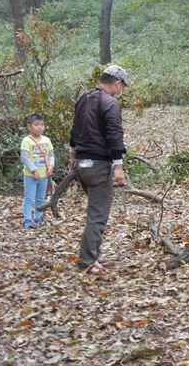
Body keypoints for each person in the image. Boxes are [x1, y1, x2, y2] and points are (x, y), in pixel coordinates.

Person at [69, 64, 129, 274]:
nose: (121, 90)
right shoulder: (110, 103)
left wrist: (73, 155)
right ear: (117, 83)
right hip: (98, 166)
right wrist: (119, 167)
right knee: (97, 215)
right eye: (122, 86)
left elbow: (74, 128)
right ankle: (87, 261)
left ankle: (93, 254)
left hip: (82, 165)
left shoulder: (84, 98)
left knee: (94, 212)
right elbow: (115, 136)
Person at [19, 113, 55, 228]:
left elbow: (51, 155)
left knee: (41, 198)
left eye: (42, 125)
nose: (39, 127)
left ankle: (38, 217)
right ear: (29, 126)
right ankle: (28, 219)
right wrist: (34, 170)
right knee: (29, 197)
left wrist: (51, 166)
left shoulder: (46, 140)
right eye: (36, 125)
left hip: (44, 175)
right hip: (30, 175)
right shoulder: (26, 140)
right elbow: (24, 157)